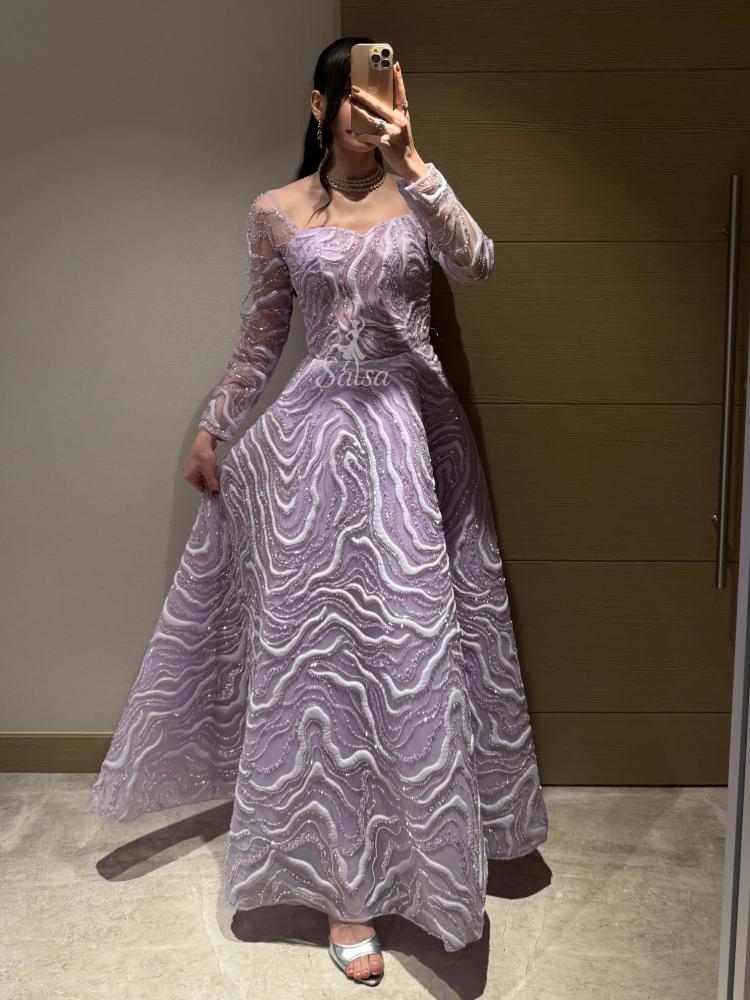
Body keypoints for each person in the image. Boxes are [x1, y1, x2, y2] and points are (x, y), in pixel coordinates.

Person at [90, 35, 549, 988]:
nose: (367, 111)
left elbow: (480, 265)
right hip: (314, 457)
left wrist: (415, 162)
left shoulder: (418, 194)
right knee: (328, 672)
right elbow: (263, 336)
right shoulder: (277, 211)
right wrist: (214, 428)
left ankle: (434, 859)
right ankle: (346, 891)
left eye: (382, 94)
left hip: (412, 447)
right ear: (319, 106)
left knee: (416, 657)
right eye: (352, 96)